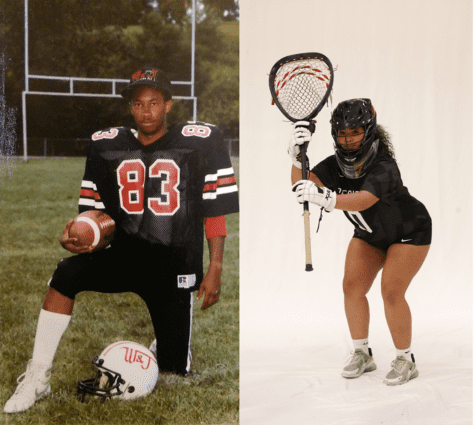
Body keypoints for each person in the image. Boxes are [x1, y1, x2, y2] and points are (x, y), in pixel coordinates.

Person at [4, 66, 239, 413]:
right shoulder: (106, 145)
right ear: (131, 107)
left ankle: (171, 338)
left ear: (169, 105)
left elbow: (213, 209)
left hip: (174, 266)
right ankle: (38, 375)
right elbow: (97, 219)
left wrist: (215, 264)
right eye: (139, 103)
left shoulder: (199, 142)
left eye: (154, 102)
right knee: (66, 273)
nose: (147, 111)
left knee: (174, 370)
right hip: (125, 256)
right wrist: (78, 238)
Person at [289, 98, 431, 386]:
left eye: (354, 132)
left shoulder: (384, 165)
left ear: (368, 131)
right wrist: (295, 158)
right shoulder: (334, 165)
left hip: (409, 231)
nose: (348, 139)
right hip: (370, 234)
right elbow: (303, 184)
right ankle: (362, 353)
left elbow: (365, 199)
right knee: (351, 287)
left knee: (391, 291)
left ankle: (406, 359)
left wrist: (328, 199)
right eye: (342, 133)